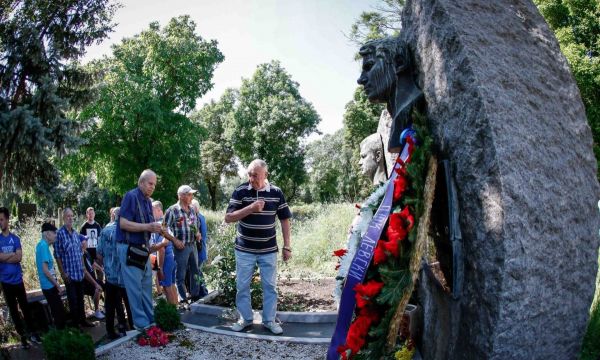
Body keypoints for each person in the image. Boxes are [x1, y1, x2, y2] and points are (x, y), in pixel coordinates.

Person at [225, 159, 292, 335]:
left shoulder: (276, 192)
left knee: (270, 286)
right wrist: (251, 208)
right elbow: (229, 217)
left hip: (268, 250)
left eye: (255, 175)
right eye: (249, 174)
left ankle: (269, 321)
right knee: (242, 286)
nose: (251, 178)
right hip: (244, 250)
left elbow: (284, 219)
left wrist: (287, 246)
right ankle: (246, 319)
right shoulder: (241, 191)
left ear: (265, 175)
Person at [357, 37, 424, 153]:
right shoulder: (397, 120)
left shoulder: (414, 106)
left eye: (369, 67)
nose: (361, 79)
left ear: (399, 63)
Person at [116, 169, 163, 330]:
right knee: (135, 290)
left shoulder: (148, 202)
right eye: (150, 184)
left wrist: (156, 230)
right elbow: (123, 223)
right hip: (129, 249)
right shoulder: (131, 196)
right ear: (141, 182)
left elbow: (148, 226)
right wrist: (148, 226)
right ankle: (141, 325)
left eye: (154, 185)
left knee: (145, 288)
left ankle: (150, 321)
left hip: (142, 249)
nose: (152, 187)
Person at [0, 207, 41, 348]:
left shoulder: (15, 238)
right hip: (5, 282)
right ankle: (23, 337)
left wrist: (5, 257)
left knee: (25, 308)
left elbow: (19, 257)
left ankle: (33, 333)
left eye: (2, 219)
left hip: (18, 281)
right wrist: (11, 255)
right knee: (13, 311)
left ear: (7, 220)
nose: (0, 222)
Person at [55, 207, 95, 328]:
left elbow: (80, 252)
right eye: (68, 216)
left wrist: (83, 267)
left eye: (72, 216)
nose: (71, 218)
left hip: (79, 272)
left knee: (80, 299)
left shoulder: (75, 233)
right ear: (63, 218)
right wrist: (63, 273)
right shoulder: (59, 234)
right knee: (73, 301)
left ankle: (83, 321)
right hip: (69, 274)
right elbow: (57, 256)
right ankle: (76, 324)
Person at [97, 207, 131, 339]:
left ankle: (110, 331)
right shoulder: (127, 230)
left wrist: (107, 264)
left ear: (112, 216)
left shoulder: (104, 231)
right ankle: (132, 328)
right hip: (125, 275)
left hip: (110, 276)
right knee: (129, 303)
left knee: (110, 305)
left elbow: (99, 254)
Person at [164, 185, 200, 303]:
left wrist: (198, 233)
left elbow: (195, 225)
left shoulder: (192, 209)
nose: (192, 196)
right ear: (181, 196)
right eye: (189, 194)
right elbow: (162, 229)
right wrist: (174, 240)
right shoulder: (172, 210)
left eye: (191, 194)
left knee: (195, 272)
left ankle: (195, 297)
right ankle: (183, 300)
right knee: (181, 274)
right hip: (181, 247)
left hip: (193, 245)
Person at [36, 222, 66, 330]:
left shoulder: (41, 245)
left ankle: (60, 334)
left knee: (57, 311)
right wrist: (57, 284)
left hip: (48, 285)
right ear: (47, 234)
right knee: (58, 313)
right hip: (49, 286)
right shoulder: (43, 246)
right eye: (54, 233)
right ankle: (60, 336)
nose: (56, 235)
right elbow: (45, 270)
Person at [151, 201, 178, 305]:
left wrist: (160, 268)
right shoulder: (167, 223)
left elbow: (161, 248)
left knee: (166, 287)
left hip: (166, 259)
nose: (150, 212)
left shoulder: (158, 225)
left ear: (159, 210)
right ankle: (176, 309)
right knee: (171, 284)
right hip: (172, 257)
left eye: (152, 210)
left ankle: (172, 312)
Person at [190, 198, 208, 298]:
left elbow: (202, 236)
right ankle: (201, 292)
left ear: (195, 208)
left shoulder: (198, 218)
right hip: (200, 250)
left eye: (191, 206)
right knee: (198, 273)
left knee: (198, 273)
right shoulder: (200, 217)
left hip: (199, 250)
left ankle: (203, 292)